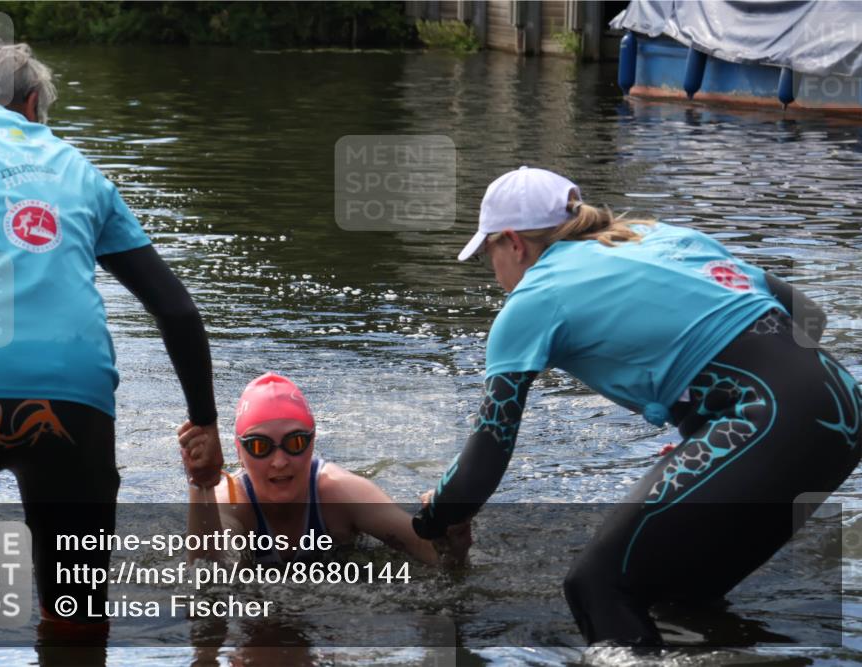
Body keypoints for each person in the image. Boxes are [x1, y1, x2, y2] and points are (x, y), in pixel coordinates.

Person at [0, 33, 224, 645]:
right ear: (31, 104)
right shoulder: (80, 168)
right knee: (77, 618)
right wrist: (205, 424)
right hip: (76, 398)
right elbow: (177, 309)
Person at [411, 166, 861, 646]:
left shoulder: (533, 299)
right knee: (676, 597)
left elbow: (485, 460)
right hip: (843, 409)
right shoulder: (657, 235)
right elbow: (807, 314)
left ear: (513, 242)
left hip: (767, 420)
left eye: (489, 254)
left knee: (596, 587)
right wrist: (713, 433)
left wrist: (433, 519)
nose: (494, 269)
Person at [179, 372, 469, 567]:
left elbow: (434, 557)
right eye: (259, 446)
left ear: (313, 441)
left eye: (294, 442)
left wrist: (451, 535)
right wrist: (200, 485)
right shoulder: (229, 501)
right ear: (239, 452)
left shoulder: (342, 493)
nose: (279, 461)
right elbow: (207, 577)